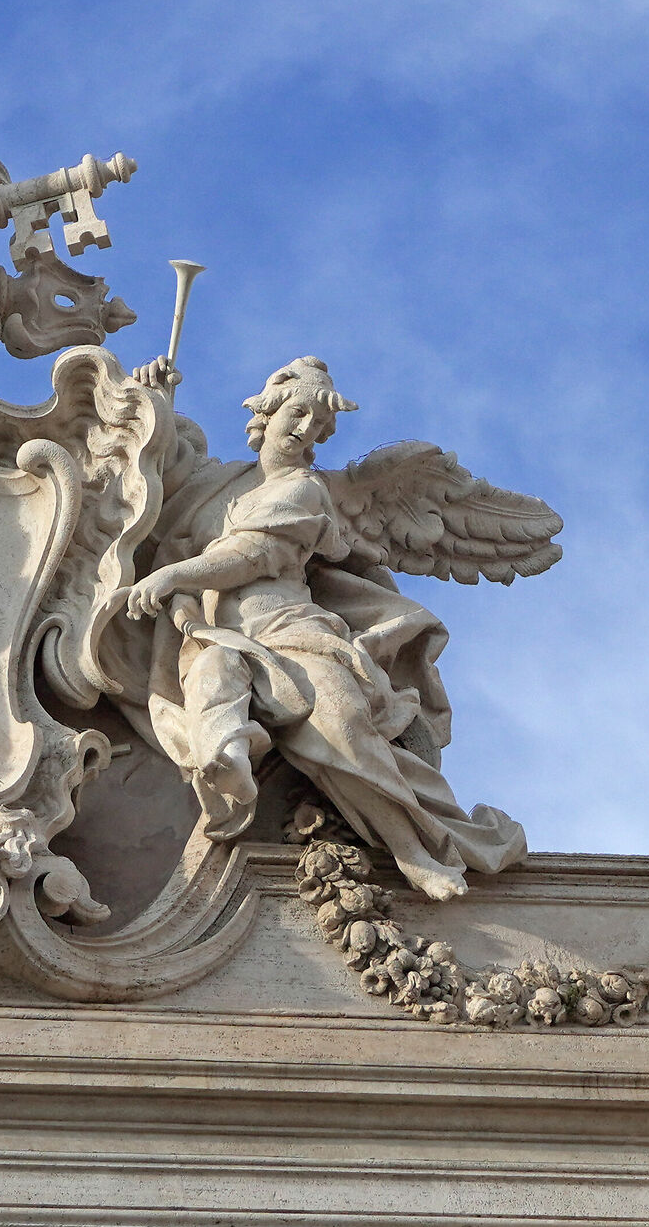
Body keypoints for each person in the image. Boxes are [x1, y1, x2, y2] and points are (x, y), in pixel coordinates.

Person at [123, 357, 525, 899]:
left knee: (340, 725)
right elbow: (154, 483)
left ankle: (414, 849)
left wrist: (175, 574)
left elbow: (255, 553)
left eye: (320, 425)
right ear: (266, 412)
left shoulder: (306, 490)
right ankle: (229, 764)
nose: (306, 429)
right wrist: (155, 403)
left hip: (289, 629)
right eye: (298, 413)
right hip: (213, 632)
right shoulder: (216, 484)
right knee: (211, 674)